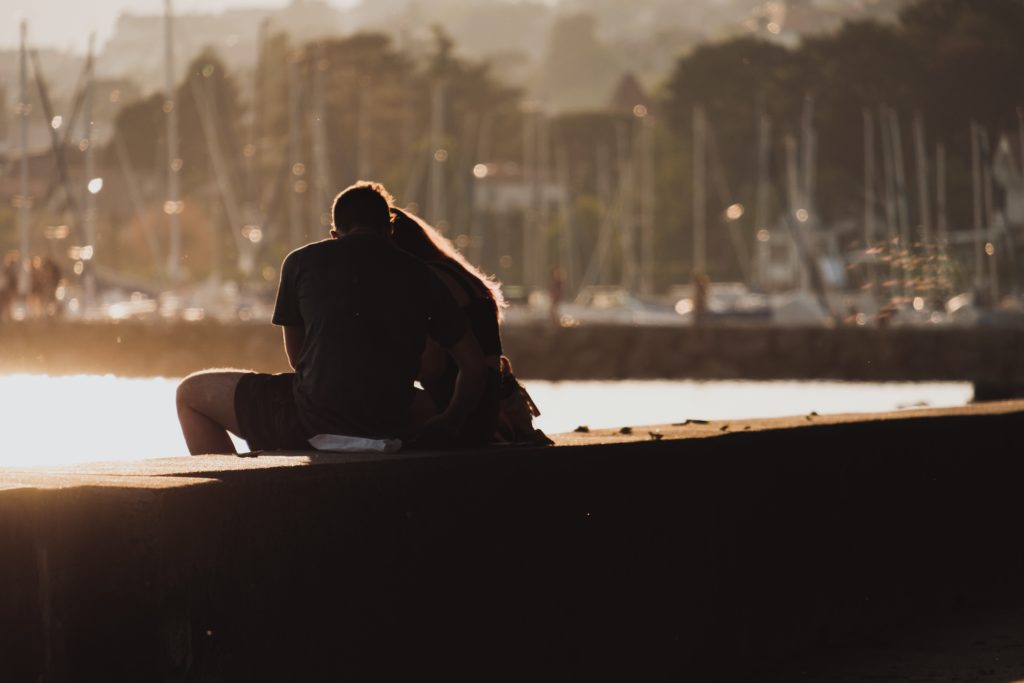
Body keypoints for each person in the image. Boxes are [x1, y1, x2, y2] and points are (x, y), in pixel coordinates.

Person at [175, 182, 486, 455]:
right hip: (391, 425)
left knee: (189, 393)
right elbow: (474, 367)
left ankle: (233, 498)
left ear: (336, 233)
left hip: (309, 423)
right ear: (389, 230)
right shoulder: (422, 274)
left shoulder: (300, 261)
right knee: (423, 406)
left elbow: (298, 359)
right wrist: (450, 421)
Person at [391, 208, 551, 447]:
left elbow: (432, 367)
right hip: (486, 407)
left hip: (457, 409)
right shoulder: (460, 275)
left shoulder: (429, 280)